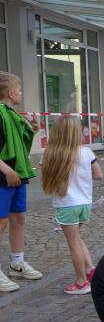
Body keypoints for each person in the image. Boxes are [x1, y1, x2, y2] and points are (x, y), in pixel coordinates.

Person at [41, 117, 103, 294]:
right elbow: (99, 175)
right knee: (77, 238)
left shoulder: (50, 153)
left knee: (73, 243)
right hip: (85, 204)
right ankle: (90, 269)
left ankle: (81, 282)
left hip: (67, 204)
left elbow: (45, 175)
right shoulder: (86, 152)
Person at [0, 73, 43, 293]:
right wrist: (7, 170)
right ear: (10, 92)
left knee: (18, 218)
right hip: (4, 174)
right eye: (19, 89)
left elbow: (19, 141)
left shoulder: (12, 114)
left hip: (17, 172)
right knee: (1, 222)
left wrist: (33, 129)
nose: (21, 93)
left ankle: (17, 263)